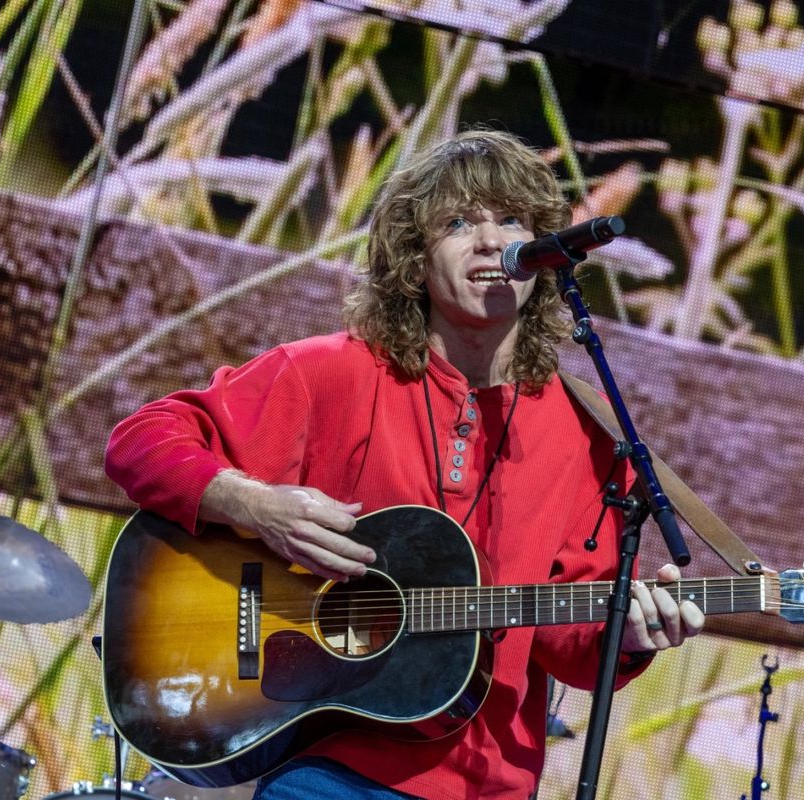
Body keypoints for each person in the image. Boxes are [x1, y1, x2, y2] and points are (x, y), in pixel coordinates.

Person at [104, 128, 705, 800]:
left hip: (491, 786)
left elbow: (573, 642)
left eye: (512, 221)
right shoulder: (332, 373)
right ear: (415, 262)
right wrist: (257, 507)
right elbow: (142, 441)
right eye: (459, 223)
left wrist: (633, 634)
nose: (491, 241)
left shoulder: (589, 433)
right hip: (328, 773)